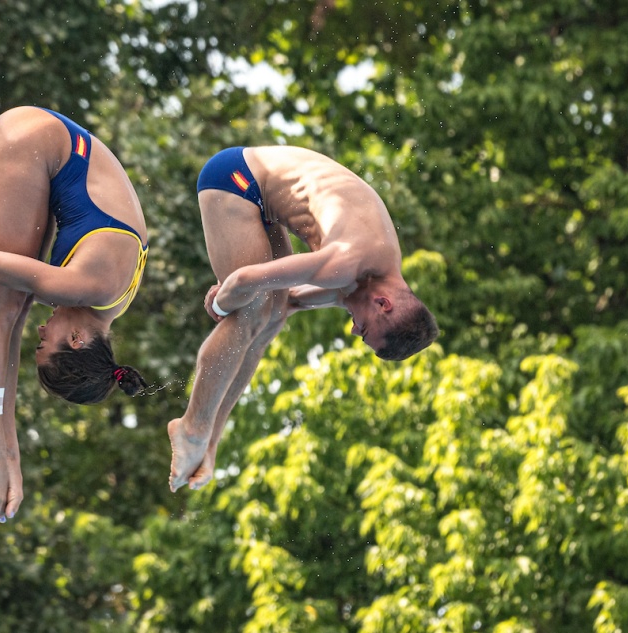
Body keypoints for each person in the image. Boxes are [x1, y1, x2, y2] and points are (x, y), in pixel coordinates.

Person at [168, 146, 438, 493]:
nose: (353, 327)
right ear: (383, 304)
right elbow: (243, 282)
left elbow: (290, 302)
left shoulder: (377, 277)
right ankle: (191, 428)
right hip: (236, 178)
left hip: (264, 201)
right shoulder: (347, 263)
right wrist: (220, 306)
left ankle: (211, 441)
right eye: (364, 328)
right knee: (250, 312)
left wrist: (240, 301)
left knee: (272, 317)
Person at [0, 106, 149, 523]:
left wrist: (12, 448)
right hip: (27, 139)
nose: (42, 329)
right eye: (46, 341)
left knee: (13, 306)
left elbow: (11, 324)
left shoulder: (106, 305)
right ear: (76, 341)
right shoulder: (88, 287)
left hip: (55, 146)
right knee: (5, 304)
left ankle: (2, 446)